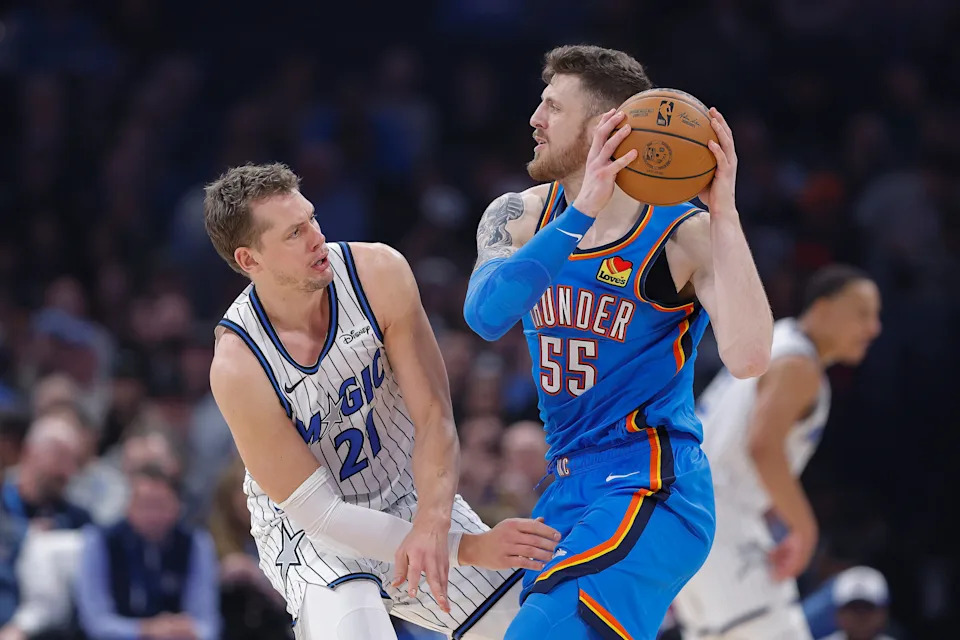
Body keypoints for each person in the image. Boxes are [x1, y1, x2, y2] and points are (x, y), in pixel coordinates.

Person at [463, 44, 773, 640]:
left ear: (606, 125)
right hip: (565, 487)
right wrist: (580, 213)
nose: (535, 118)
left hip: (652, 484)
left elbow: (750, 356)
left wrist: (726, 214)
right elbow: (485, 315)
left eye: (553, 106)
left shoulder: (683, 234)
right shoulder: (520, 213)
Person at [204, 163, 561, 640]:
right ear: (250, 260)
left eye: (311, 219)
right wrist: (469, 548)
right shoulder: (238, 366)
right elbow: (323, 515)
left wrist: (434, 523)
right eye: (293, 233)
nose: (316, 237)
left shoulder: (377, 272)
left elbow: (435, 416)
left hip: (407, 494)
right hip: (313, 535)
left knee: (534, 631)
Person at [671, 265, 882, 639]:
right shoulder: (798, 363)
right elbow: (763, 447)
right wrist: (804, 528)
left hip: (688, 509)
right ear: (823, 308)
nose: (873, 328)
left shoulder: (779, 339)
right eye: (862, 313)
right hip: (717, 513)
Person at [74, 464, 221, 640]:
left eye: (160, 505)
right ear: (127, 506)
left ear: (177, 506)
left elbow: (207, 622)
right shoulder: (99, 541)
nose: (152, 515)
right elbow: (95, 622)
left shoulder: (196, 543)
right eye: (144, 505)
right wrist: (145, 630)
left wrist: (189, 631)